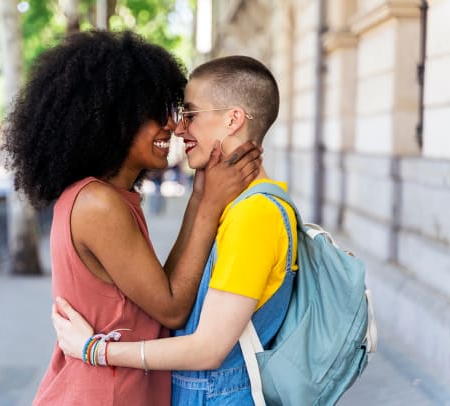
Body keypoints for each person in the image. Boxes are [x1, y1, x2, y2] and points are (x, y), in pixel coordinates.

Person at [2, 31, 262, 406]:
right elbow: (172, 308)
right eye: (157, 114)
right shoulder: (97, 205)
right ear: (114, 118)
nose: (173, 127)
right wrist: (209, 207)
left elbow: (162, 288)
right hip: (104, 394)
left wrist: (202, 197)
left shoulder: (108, 198)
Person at [53, 55, 298, 405]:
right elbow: (169, 299)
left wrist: (95, 350)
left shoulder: (253, 214)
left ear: (233, 119)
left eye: (190, 114)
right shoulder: (100, 202)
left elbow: (205, 347)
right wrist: (203, 200)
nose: (178, 127)